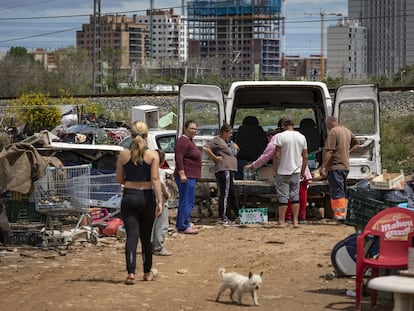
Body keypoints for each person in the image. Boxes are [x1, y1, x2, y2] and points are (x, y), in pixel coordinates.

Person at [116, 121, 163, 284]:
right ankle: (147, 272)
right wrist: (160, 201)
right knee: (146, 237)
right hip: (146, 197)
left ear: (130, 135)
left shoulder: (123, 154)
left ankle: (130, 273)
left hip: (129, 197)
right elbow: (155, 179)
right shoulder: (153, 155)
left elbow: (119, 179)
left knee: (131, 237)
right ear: (147, 135)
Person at [244, 126, 312, 224]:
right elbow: (305, 156)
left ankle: (287, 218)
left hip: (287, 171)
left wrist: (253, 165)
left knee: (286, 197)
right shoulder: (298, 137)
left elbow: (266, 157)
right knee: (299, 196)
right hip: (302, 170)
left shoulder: (276, 141)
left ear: (270, 136)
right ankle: (301, 218)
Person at [319, 116, 359, 222]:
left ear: (329, 124)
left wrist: (323, 166)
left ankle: (339, 215)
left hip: (335, 166)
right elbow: (357, 144)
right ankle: (343, 213)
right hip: (345, 166)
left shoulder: (333, 132)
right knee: (342, 190)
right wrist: (347, 153)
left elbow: (329, 151)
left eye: (327, 125)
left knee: (337, 191)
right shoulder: (346, 131)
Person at [272, 115, 308, 228]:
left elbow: (277, 155)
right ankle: (296, 222)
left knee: (283, 197)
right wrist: (302, 171)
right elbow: (305, 156)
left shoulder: (280, 136)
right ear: (293, 124)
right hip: (296, 171)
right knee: (295, 196)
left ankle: (282, 222)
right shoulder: (302, 137)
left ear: (283, 125)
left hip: (282, 171)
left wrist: (274, 169)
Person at [203, 124, 240, 224]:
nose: (231, 135)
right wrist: (215, 157)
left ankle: (238, 215)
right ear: (224, 132)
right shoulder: (217, 140)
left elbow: (233, 152)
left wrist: (236, 148)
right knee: (225, 193)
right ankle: (222, 217)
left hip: (230, 169)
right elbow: (206, 148)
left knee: (232, 193)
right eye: (229, 133)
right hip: (224, 169)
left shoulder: (228, 142)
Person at [174, 120, 202, 234]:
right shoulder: (183, 141)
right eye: (191, 128)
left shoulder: (189, 141)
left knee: (186, 200)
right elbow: (179, 157)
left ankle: (182, 223)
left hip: (191, 175)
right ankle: (183, 225)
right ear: (185, 129)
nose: (194, 131)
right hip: (186, 176)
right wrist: (182, 173)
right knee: (187, 200)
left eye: (195, 129)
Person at [152, 149, 172, 256]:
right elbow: (161, 184)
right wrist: (167, 194)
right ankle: (158, 247)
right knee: (161, 224)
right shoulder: (160, 171)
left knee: (152, 224)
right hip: (160, 199)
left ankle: (151, 245)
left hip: (149, 198)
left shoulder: (147, 170)